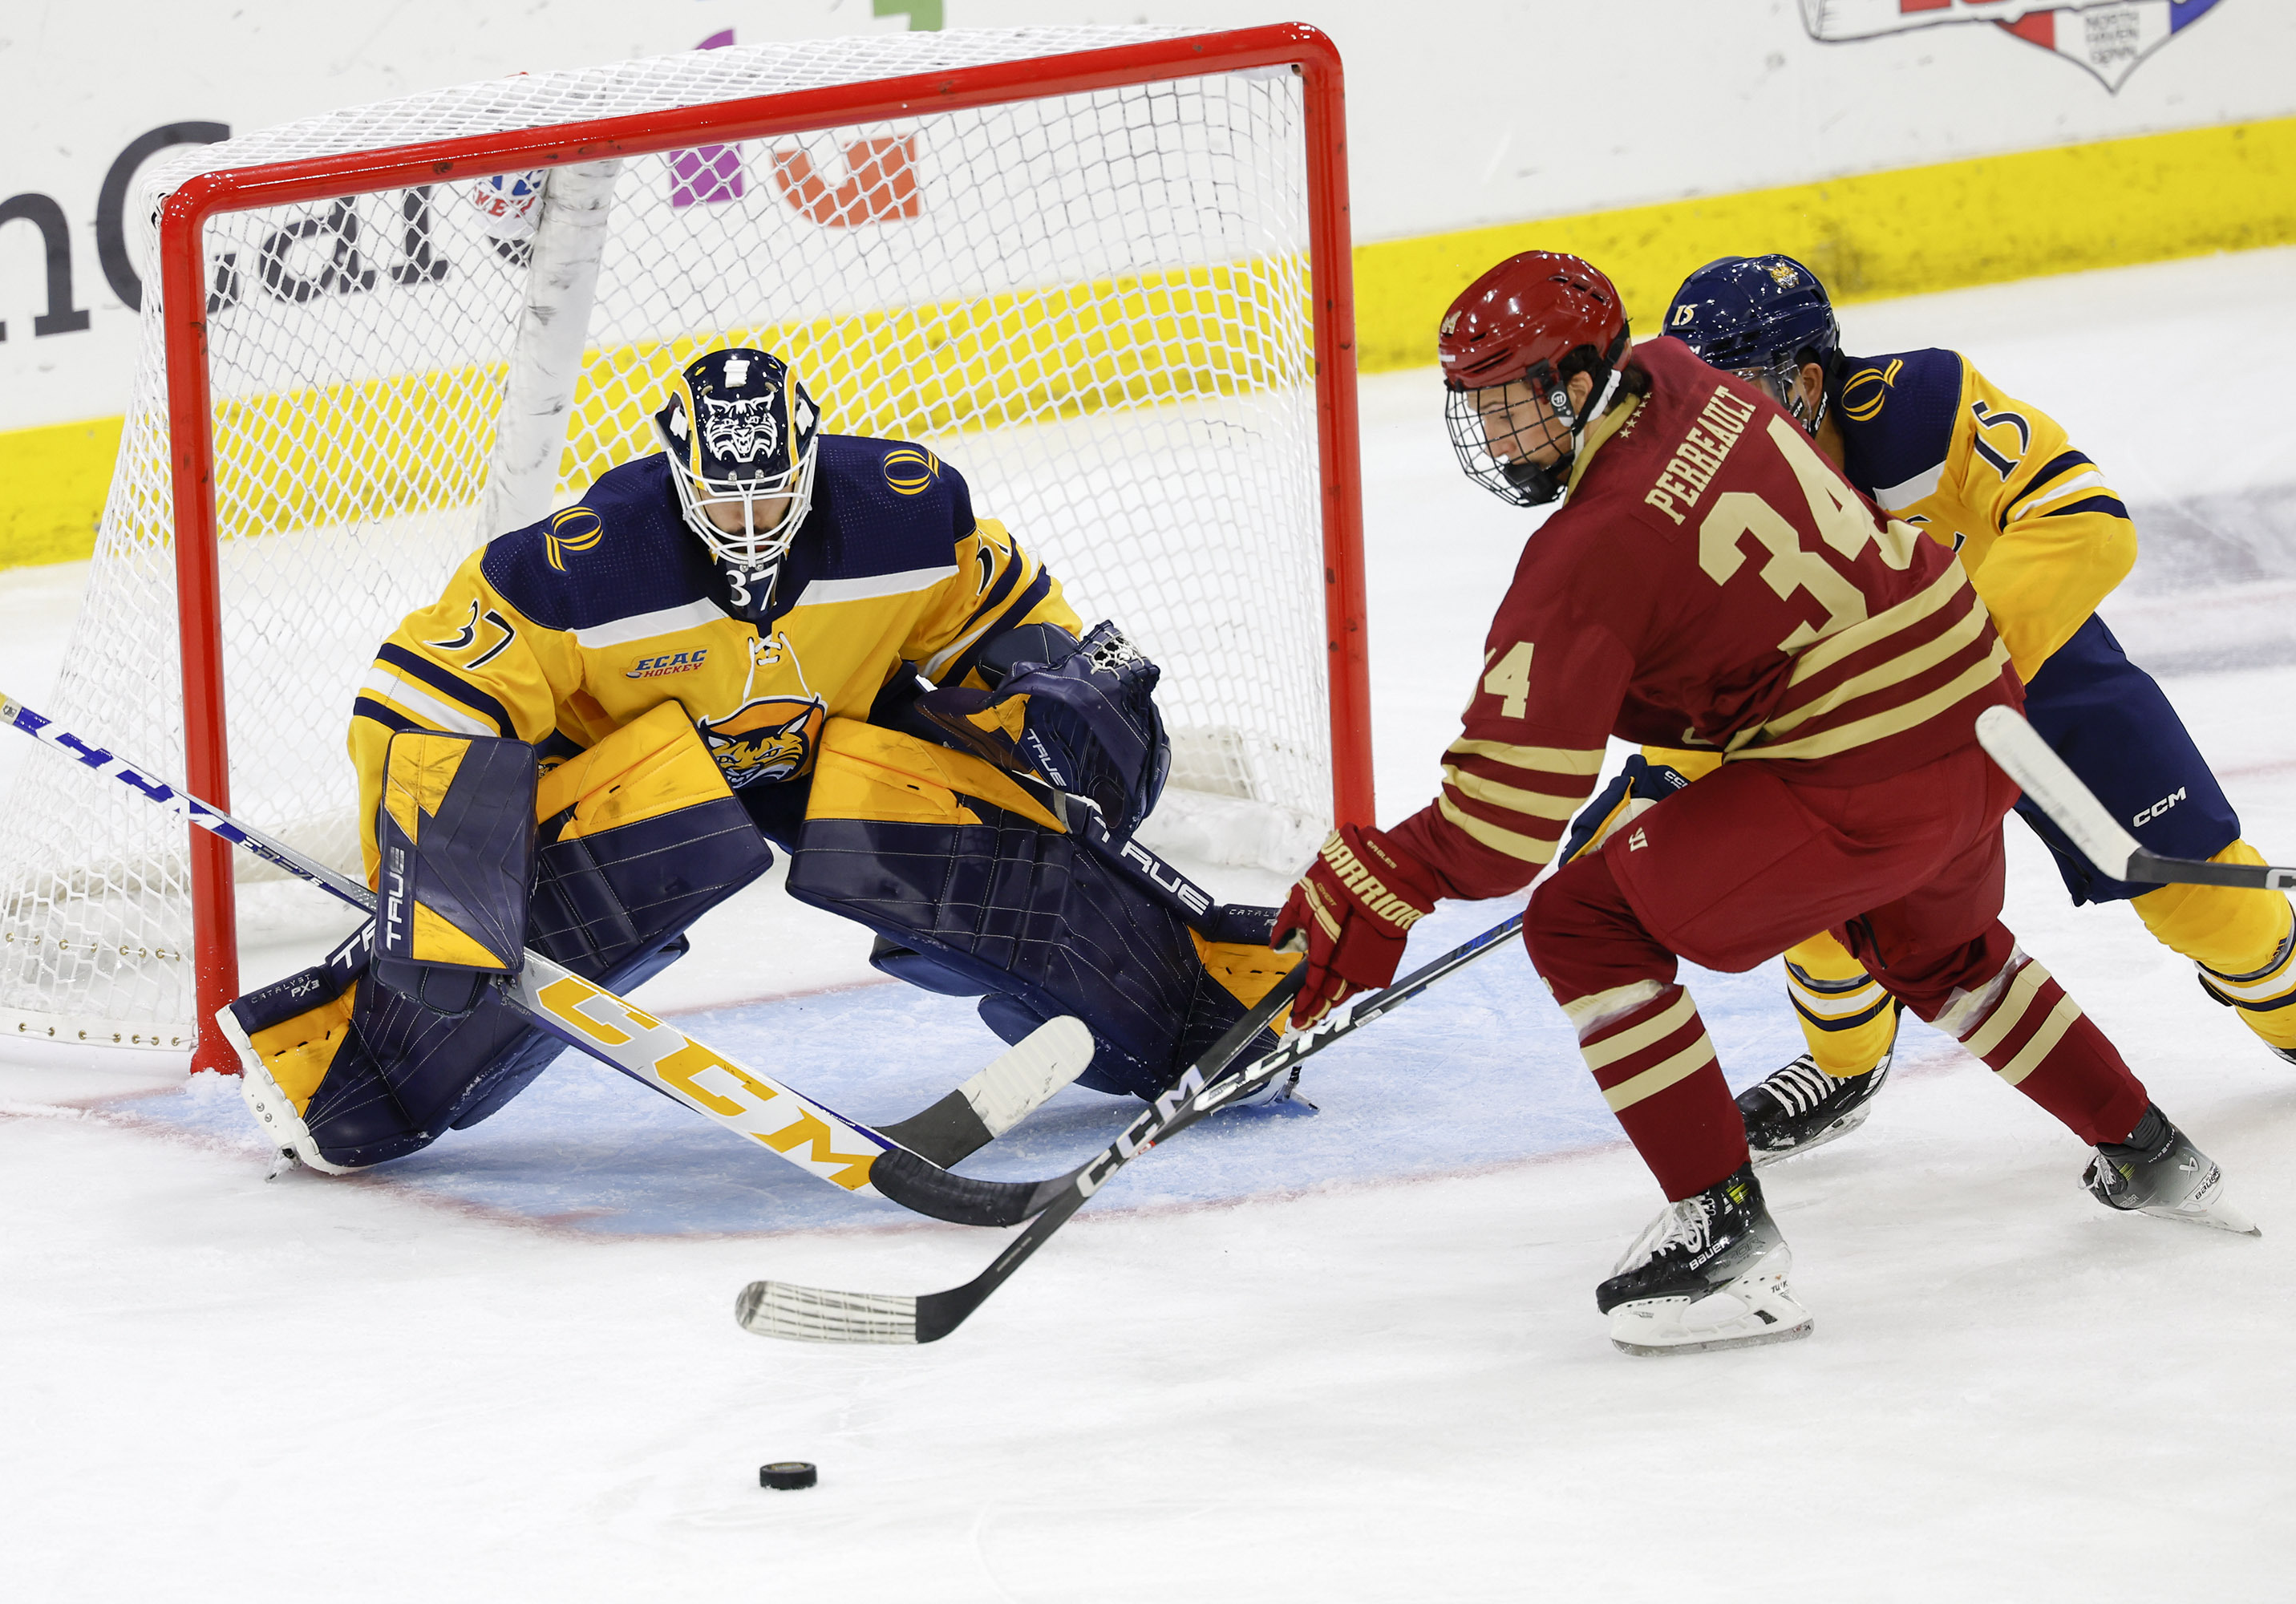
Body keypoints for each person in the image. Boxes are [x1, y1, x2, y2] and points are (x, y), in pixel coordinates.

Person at [1269, 252, 2253, 1358]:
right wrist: (1666, 773)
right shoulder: (1697, 386)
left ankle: (1724, 1240)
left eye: (1511, 405)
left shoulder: (1586, 555)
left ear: (1582, 377)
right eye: (1478, 411)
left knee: (1582, 922)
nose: (1496, 442)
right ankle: (2150, 1148)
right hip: (1972, 712)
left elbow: (1501, 834)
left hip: (1859, 768)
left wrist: (1379, 874)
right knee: (1946, 953)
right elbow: (1740, 620)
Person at [224, 346, 1295, 1175]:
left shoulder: (907, 514)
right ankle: (347, 1070)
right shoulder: (579, 568)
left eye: (772, 494)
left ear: (811, 459)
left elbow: (1007, 622)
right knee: (539, 900)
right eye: (724, 499)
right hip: (636, 784)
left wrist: (1061, 706)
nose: (750, 520)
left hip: (837, 750)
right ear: (677, 472)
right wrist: (444, 874)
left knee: (981, 835)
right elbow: (426, 695)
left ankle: (1192, 1014)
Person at [1616, 255, 2296, 1165]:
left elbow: (2087, 519)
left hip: (2033, 670)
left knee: (2202, 894)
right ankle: (1844, 1061)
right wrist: (1663, 787)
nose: (1719, 424)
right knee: (1810, 894)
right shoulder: (1702, 508)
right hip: (1865, 724)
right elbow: (1714, 699)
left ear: (1809, 379)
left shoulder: (1920, 403)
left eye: (1740, 392)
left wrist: (1961, 661)